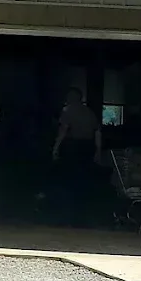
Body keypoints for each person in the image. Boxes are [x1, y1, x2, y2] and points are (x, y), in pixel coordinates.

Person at [52, 87, 101, 226]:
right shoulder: (89, 112)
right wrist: (97, 150)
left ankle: (70, 212)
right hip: (87, 147)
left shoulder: (67, 111)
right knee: (83, 179)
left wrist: (55, 148)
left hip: (73, 147)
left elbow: (63, 130)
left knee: (70, 179)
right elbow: (97, 132)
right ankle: (81, 210)